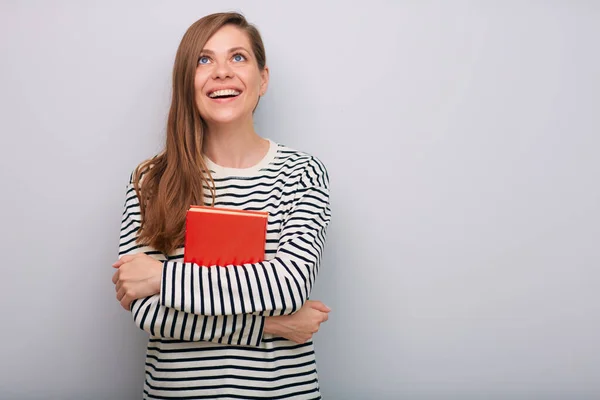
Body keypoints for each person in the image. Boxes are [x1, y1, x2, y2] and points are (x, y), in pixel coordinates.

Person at [111, 11, 332, 399]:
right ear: (187, 82)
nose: (222, 72)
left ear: (262, 79)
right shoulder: (150, 180)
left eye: (238, 57)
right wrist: (272, 326)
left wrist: (162, 278)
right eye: (204, 59)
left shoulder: (302, 173)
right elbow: (146, 313)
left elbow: (289, 285)